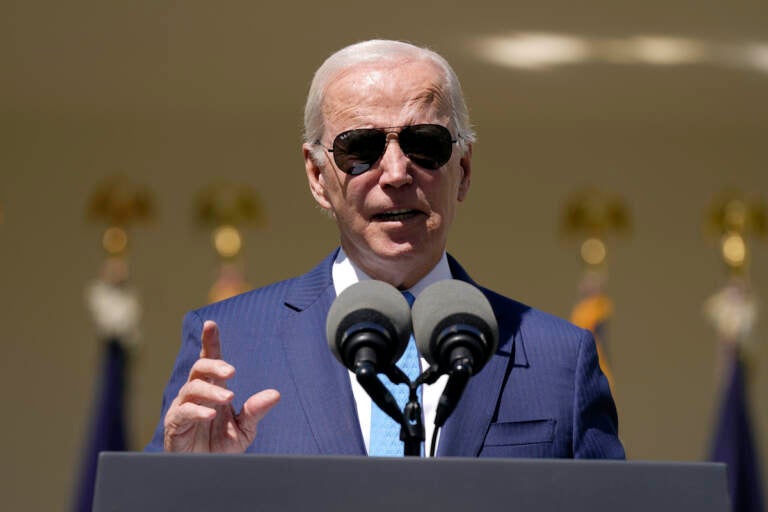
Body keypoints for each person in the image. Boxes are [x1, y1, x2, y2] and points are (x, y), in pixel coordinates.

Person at [146, 39, 625, 458]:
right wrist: (183, 480)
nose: (396, 173)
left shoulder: (559, 358)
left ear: (465, 169)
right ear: (317, 176)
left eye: (425, 143)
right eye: (361, 149)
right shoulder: (231, 346)